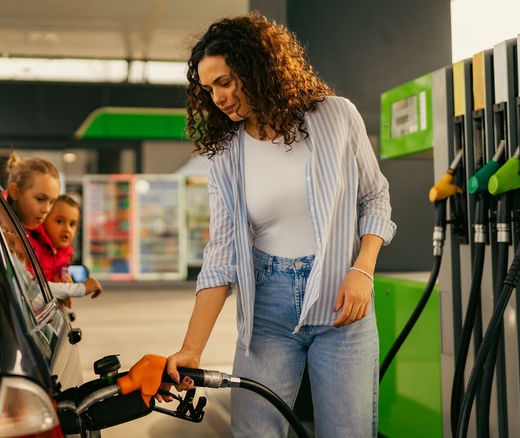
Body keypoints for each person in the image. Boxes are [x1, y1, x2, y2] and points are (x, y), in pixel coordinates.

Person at [162, 12, 396, 437]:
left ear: (259, 68)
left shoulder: (335, 116)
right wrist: (190, 348)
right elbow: (222, 255)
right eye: (208, 87)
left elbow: (374, 196)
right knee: (255, 433)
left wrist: (363, 269)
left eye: (225, 82)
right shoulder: (226, 155)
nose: (217, 97)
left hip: (341, 302)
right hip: (267, 308)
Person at [4, 152, 102, 301]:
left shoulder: (20, 231)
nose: (46, 209)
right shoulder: (5, 232)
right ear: (14, 192)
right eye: (40, 199)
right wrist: (78, 288)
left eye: (51, 202)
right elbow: (29, 292)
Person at [42, 194, 102, 305]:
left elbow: (68, 300)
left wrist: (68, 290)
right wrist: (78, 288)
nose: (67, 229)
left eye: (72, 224)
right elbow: (33, 290)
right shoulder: (35, 248)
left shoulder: (64, 257)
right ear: (43, 219)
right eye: (59, 221)